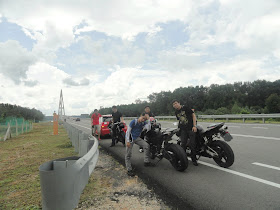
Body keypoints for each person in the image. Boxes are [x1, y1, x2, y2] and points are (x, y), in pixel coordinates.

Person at [172, 99, 198, 166]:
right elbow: (180, 120)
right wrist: (178, 129)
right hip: (183, 130)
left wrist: (194, 126)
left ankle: (194, 159)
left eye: (176, 103)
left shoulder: (185, 108)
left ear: (179, 103)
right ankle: (183, 158)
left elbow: (193, 116)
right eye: (174, 104)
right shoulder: (176, 112)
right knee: (183, 144)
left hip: (190, 128)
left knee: (193, 145)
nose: (175, 105)